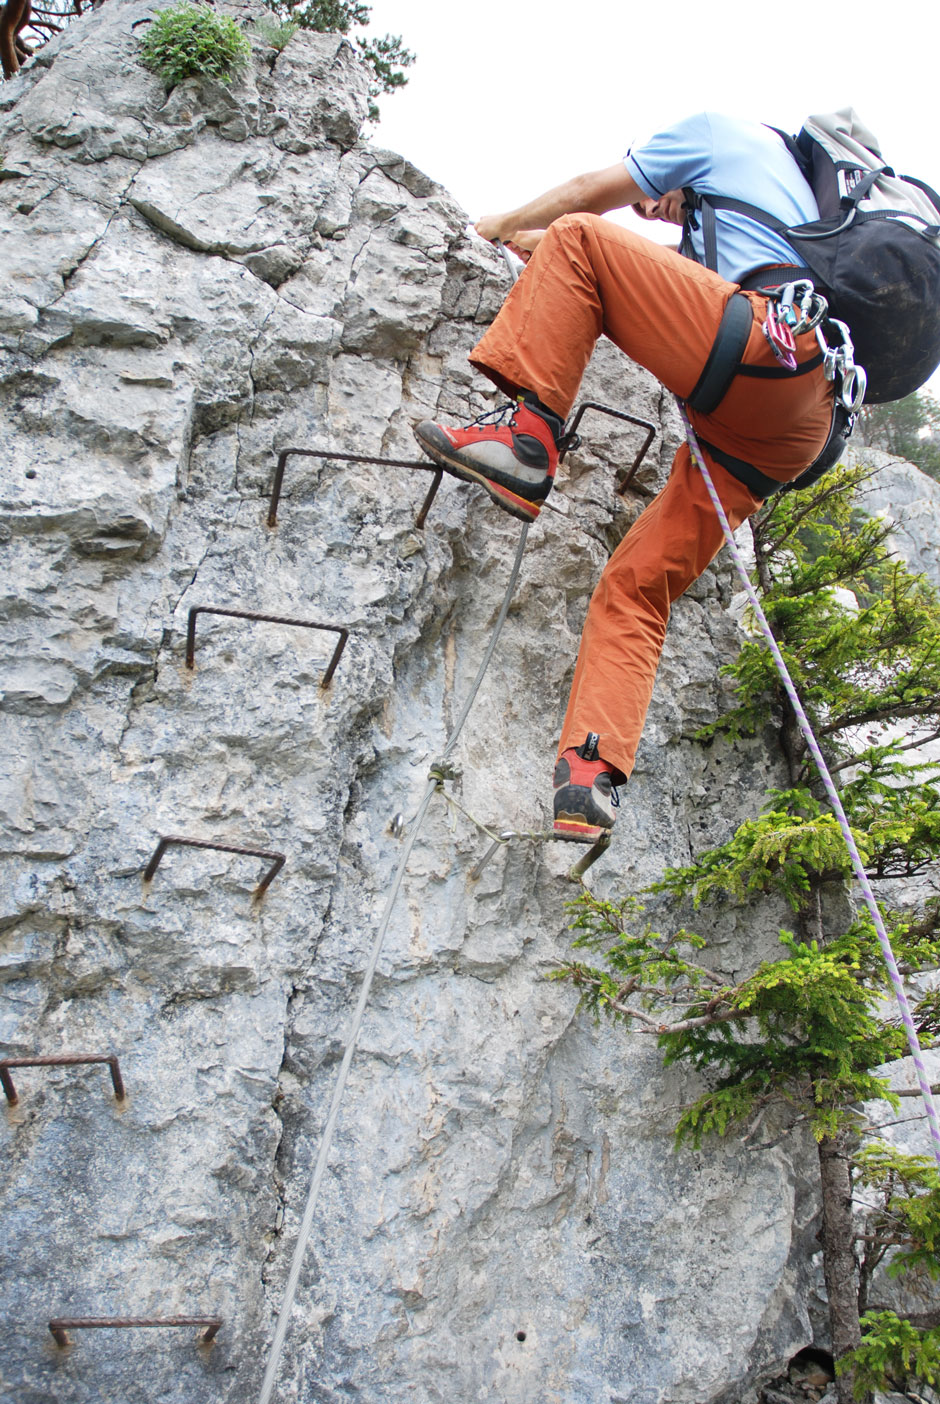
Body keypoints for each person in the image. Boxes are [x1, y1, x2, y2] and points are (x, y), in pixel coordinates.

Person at [414, 112, 835, 844]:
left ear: (672, 178)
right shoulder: (791, 216)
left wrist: (495, 225)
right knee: (637, 585)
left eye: (655, 195)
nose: (652, 208)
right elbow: (652, 281)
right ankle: (590, 777)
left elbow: (585, 201)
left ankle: (526, 441)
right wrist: (534, 246)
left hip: (765, 346)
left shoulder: (717, 132)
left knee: (579, 235)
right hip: (796, 424)